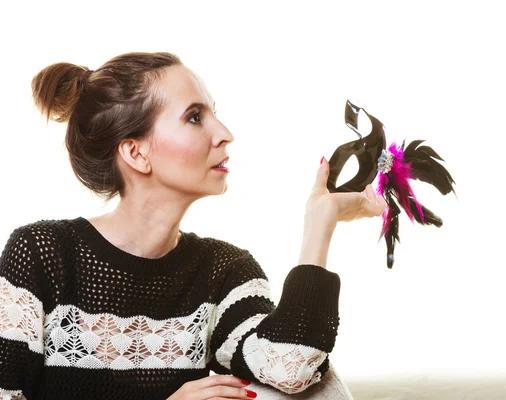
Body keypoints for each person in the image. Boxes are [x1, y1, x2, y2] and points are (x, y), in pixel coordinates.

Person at [0, 52, 386, 400]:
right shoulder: (42, 253)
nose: (225, 134)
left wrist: (320, 222)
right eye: (195, 117)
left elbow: (291, 369)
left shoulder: (224, 270)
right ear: (136, 152)